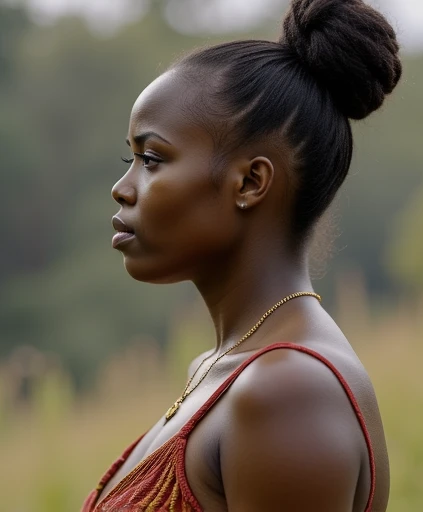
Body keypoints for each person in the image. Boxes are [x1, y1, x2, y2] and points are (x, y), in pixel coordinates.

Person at [82, 0, 401, 510]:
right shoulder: (219, 370)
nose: (123, 188)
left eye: (152, 159)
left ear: (251, 182)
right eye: (130, 158)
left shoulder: (287, 390)